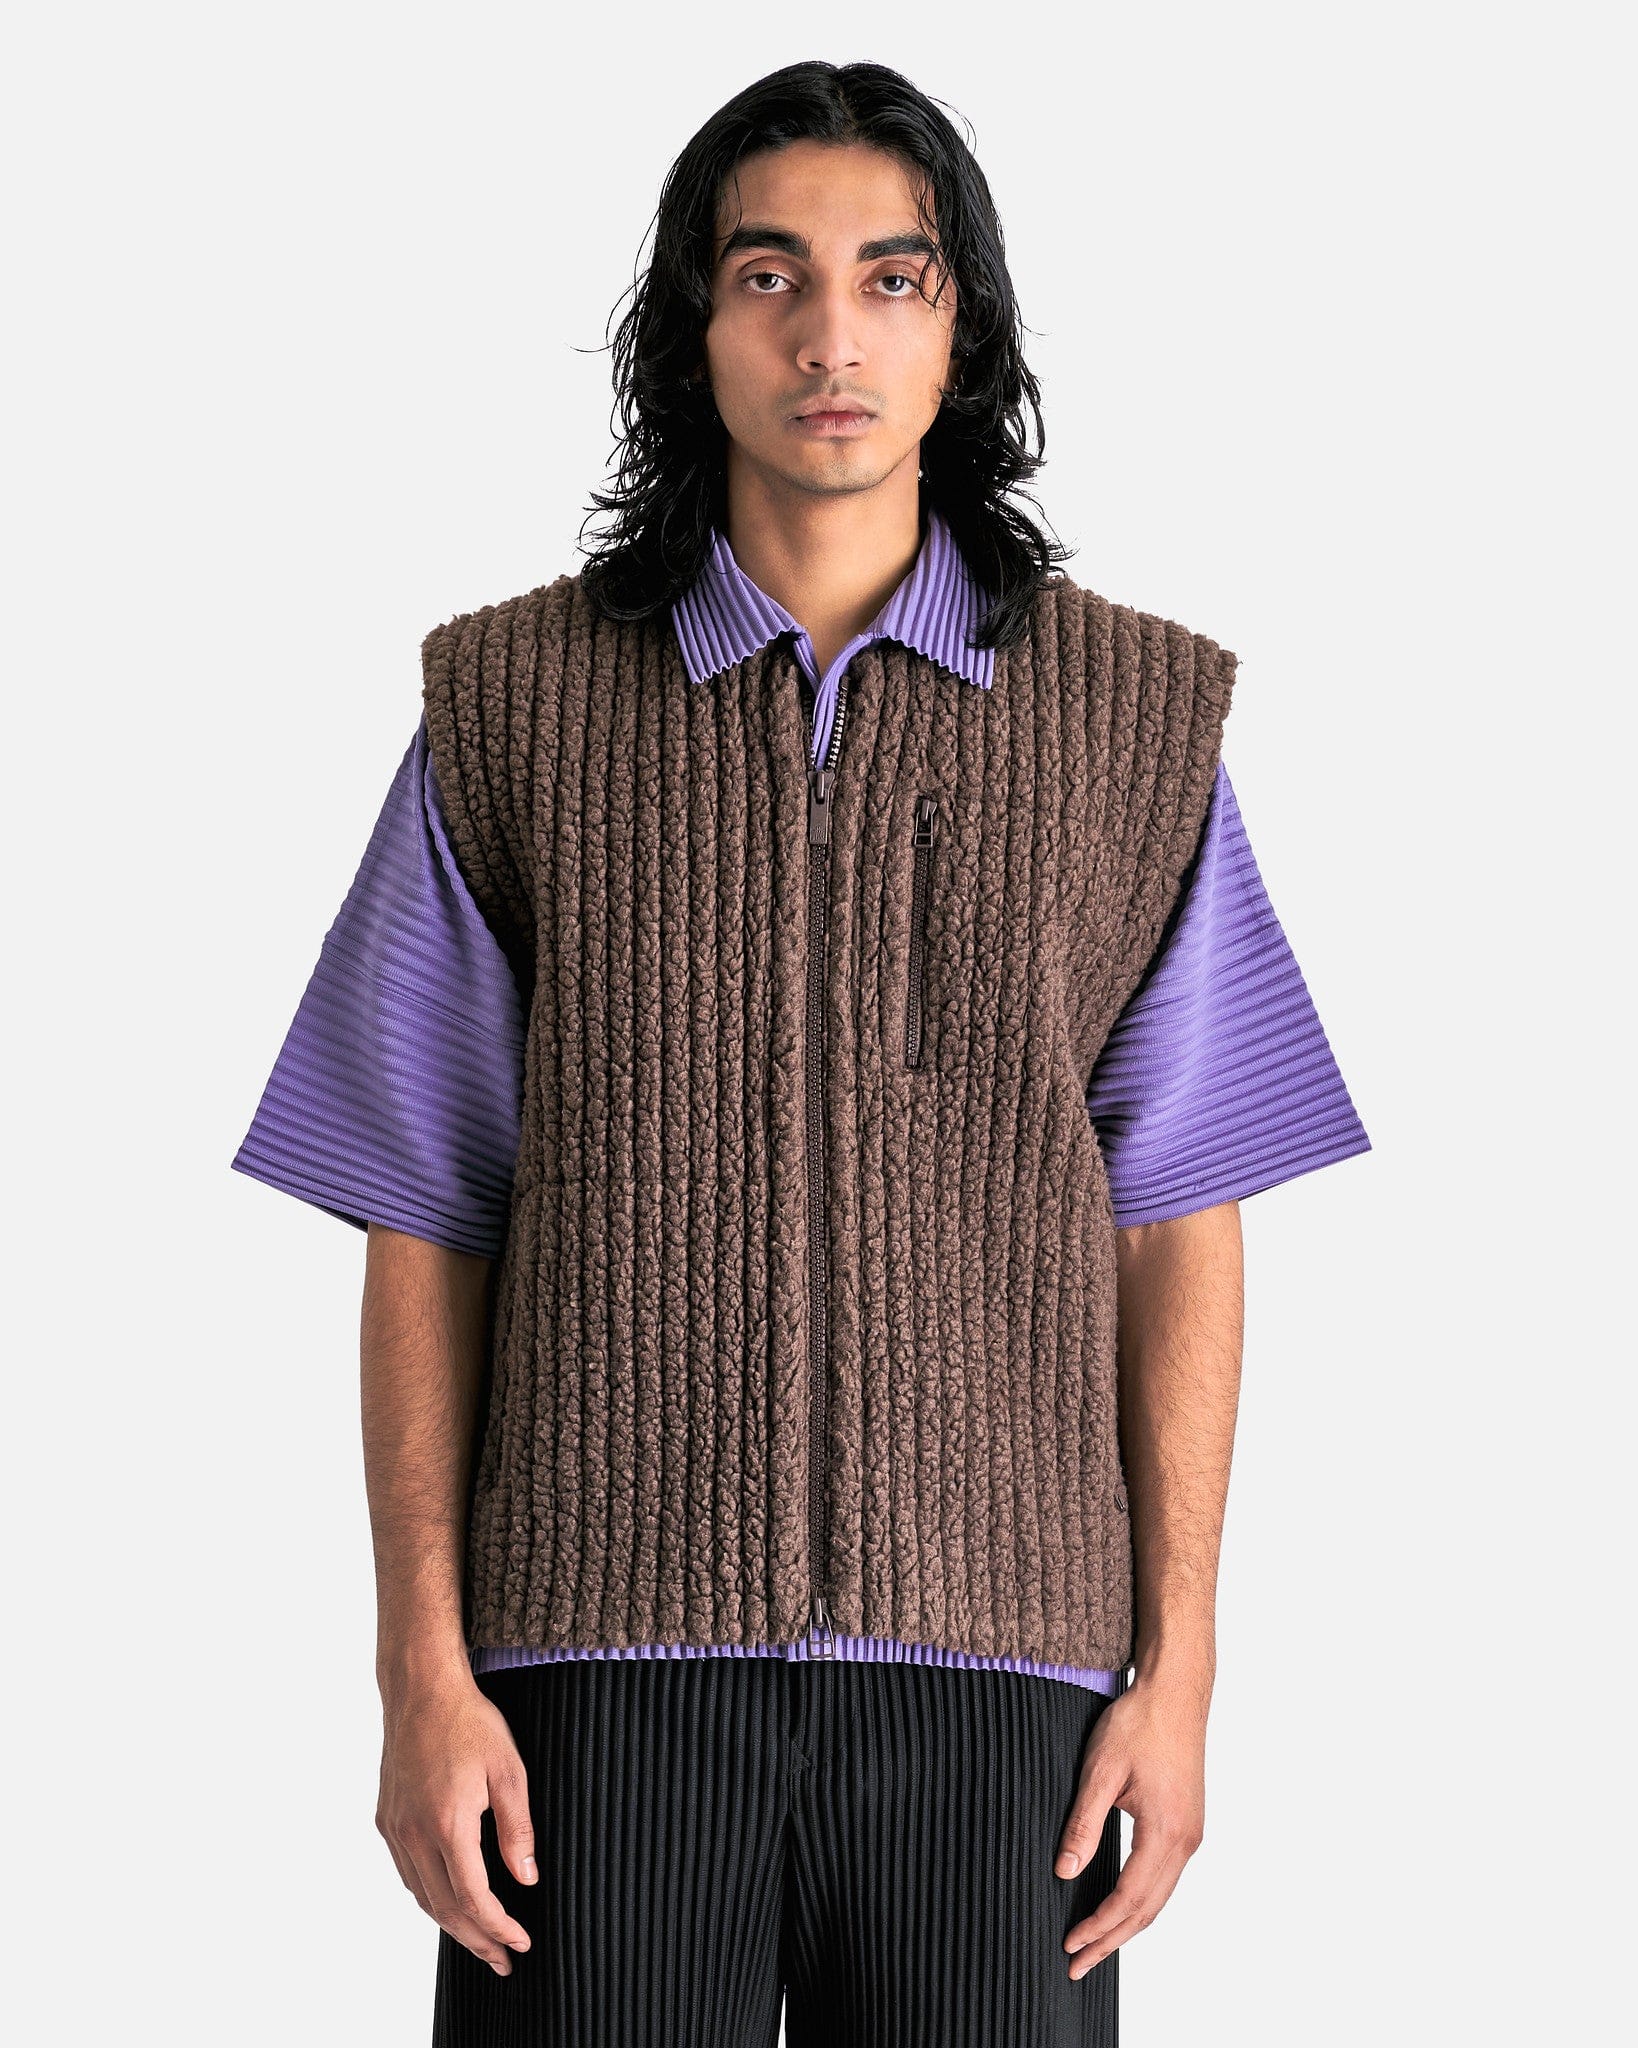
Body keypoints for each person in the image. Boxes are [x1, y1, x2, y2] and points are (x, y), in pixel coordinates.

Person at [231, 59, 1370, 2048]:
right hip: (590, 1674)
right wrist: (420, 1662)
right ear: (693, 331)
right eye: (768, 276)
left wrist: (1180, 1663)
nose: (829, 335)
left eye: (889, 277)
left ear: (962, 330)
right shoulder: (511, 706)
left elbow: (1180, 1212)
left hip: (1005, 1678)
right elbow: (423, 1207)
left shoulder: (1131, 721)